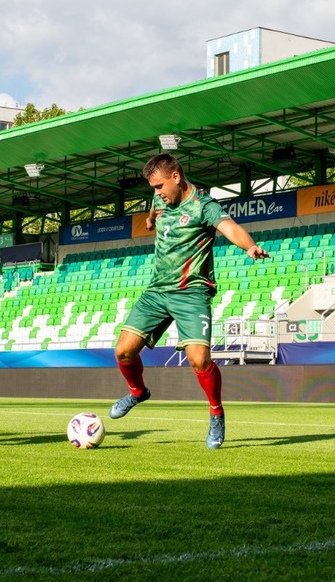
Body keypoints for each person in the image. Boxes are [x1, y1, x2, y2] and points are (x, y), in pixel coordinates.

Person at [109, 152, 269, 449]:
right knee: (123, 352)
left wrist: (250, 246)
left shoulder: (203, 207)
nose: (156, 193)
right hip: (156, 291)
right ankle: (137, 392)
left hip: (191, 293)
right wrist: (148, 219)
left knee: (199, 359)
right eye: (152, 189)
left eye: (158, 186)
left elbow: (229, 227)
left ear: (176, 177)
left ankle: (216, 414)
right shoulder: (159, 201)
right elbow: (152, 216)